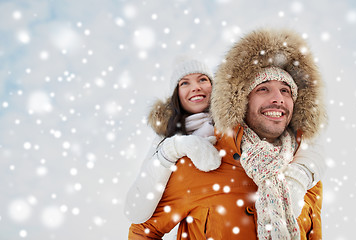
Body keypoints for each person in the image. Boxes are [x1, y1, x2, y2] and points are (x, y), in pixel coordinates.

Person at [128, 28, 327, 240]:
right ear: (242, 100)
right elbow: (143, 231)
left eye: (286, 90)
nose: (278, 98)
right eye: (263, 89)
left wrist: (298, 177)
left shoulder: (306, 175)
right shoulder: (197, 164)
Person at [124, 56, 222, 223]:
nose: (196, 88)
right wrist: (173, 149)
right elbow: (135, 211)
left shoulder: (234, 126)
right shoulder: (165, 139)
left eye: (202, 79)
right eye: (185, 83)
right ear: (176, 95)